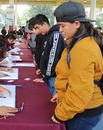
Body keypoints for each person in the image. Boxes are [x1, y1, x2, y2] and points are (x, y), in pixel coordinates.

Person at [51, 1, 103, 130]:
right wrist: (62, 93)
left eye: (63, 26)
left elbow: (80, 92)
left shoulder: (82, 49)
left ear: (77, 24)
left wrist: (60, 115)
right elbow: (71, 75)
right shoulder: (78, 42)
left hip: (83, 111)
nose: (60, 30)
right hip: (80, 107)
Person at [28, 14, 65, 96]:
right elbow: (46, 54)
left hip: (53, 76)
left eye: (37, 27)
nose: (35, 31)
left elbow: (53, 58)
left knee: (52, 102)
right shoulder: (48, 35)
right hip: (49, 75)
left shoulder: (55, 35)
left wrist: (46, 77)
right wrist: (42, 68)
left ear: (44, 24)